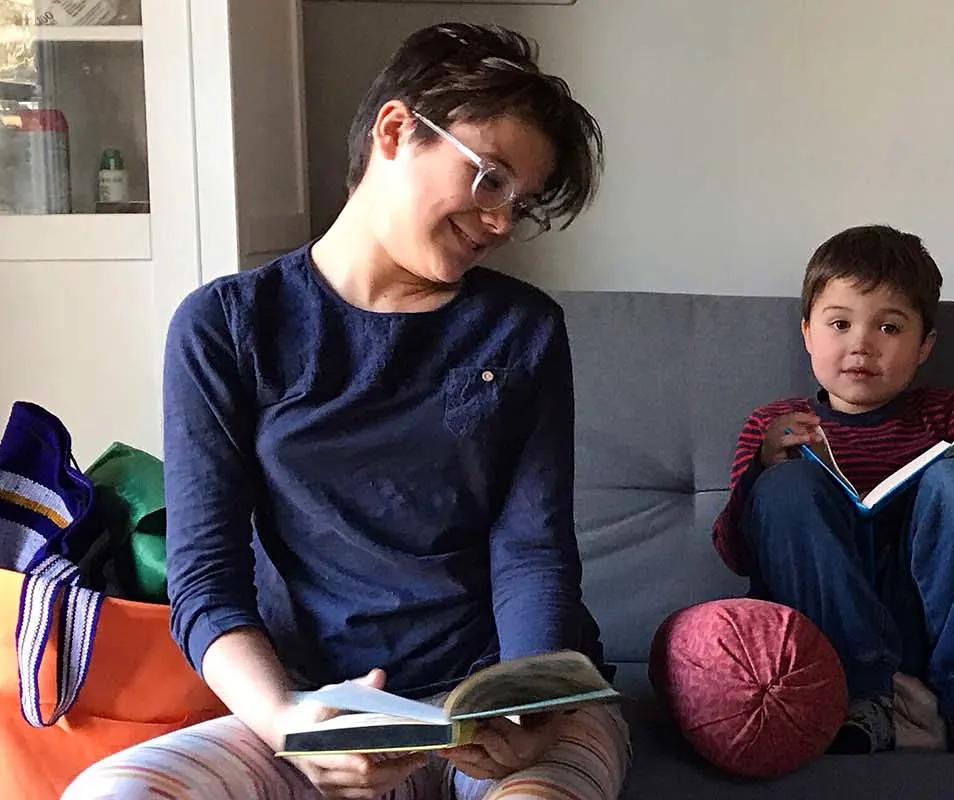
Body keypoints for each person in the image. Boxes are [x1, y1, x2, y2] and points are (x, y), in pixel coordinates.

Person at [63, 23, 626, 800]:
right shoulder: (226, 326)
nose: (501, 223)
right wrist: (290, 723)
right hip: (319, 707)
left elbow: (532, 551)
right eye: (490, 179)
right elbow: (206, 583)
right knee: (113, 794)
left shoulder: (521, 329)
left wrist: (529, 711)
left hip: (501, 711)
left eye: (520, 203)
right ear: (397, 131)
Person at [712, 224, 954, 756]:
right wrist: (761, 470)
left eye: (889, 328)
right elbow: (734, 551)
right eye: (840, 324)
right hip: (824, 624)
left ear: (924, 346)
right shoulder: (773, 424)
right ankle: (859, 699)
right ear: (806, 332)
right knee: (787, 488)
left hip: (927, 617)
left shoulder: (947, 414)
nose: (861, 346)